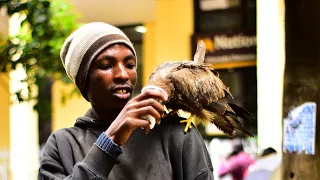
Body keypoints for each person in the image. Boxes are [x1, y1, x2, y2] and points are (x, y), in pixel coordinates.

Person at [37, 22, 214, 180]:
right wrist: (109, 141)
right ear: (84, 81)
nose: (123, 74)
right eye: (106, 66)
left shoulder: (175, 131)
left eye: (130, 65)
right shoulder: (63, 144)